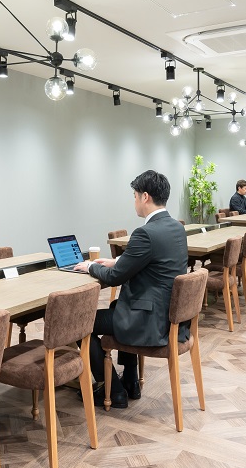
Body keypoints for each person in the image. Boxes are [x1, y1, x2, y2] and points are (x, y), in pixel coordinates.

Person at [74, 170, 188, 408]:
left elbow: (115, 278)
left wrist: (91, 267)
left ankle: (113, 390)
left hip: (150, 322)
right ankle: (130, 380)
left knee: (77, 324)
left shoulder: (145, 233)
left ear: (145, 197)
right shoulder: (175, 227)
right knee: (118, 305)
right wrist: (116, 261)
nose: (134, 201)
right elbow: (155, 260)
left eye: (135, 196)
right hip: (170, 318)